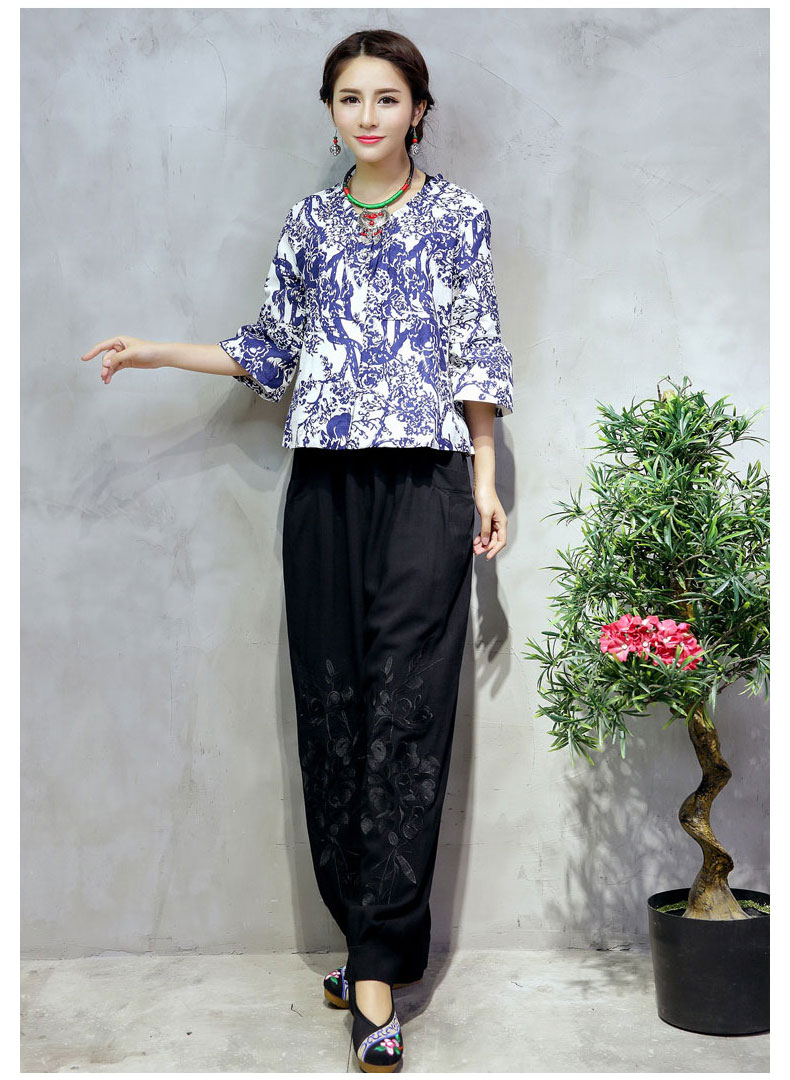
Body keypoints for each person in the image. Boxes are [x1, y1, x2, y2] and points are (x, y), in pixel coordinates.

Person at [81, 27, 514, 1074]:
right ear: (329, 112)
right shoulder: (310, 223)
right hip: (323, 485)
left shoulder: (458, 216)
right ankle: (362, 932)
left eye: (387, 98)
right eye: (349, 98)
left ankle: (377, 974)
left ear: (418, 109)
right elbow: (270, 349)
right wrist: (156, 351)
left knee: (407, 713)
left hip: (424, 482)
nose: (367, 115)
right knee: (332, 710)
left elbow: (477, 351)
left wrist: (486, 478)